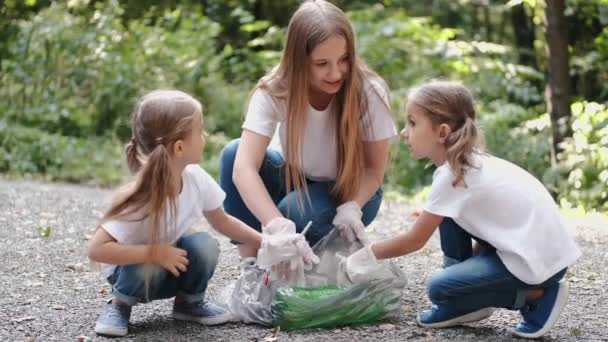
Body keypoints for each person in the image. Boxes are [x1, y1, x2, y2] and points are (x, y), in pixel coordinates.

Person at [343, 81, 581, 339]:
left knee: (438, 288)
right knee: (445, 216)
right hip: (529, 250)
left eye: (412, 123)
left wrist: (366, 254)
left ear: (442, 132)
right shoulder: (463, 166)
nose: (404, 132)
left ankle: (538, 296)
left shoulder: (454, 175)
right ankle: (464, 298)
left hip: (539, 263)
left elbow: (414, 241)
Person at [87, 90, 315, 336]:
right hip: (134, 271)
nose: (204, 136)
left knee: (205, 244)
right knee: (147, 263)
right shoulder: (141, 197)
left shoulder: (195, 177)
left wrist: (267, 241)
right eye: (200, 130)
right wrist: (155, 252)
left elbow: (222, 220)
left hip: (169, 263)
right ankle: (119, 305)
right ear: (180, 147)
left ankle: (189, 302)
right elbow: (96, 250)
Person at [219, 0, 397, 264]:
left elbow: (373, 170)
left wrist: (352, 207)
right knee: (233, 154)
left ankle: (311, 251)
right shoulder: (275, 90)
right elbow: (244, 168)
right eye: (322, 63)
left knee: (293, 213)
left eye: (344, 59)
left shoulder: (368, 91)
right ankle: (253, 261)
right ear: (299, 60)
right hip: (294, 176)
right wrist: (276, 227)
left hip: (351, 190)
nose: (336, 72)